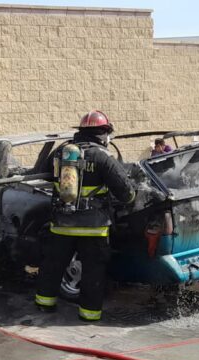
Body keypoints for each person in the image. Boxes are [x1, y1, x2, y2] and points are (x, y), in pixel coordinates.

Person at [33, 111, 135, 322]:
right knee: (92, 273)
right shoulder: (103, 157)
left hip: (61, 223)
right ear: (104, 133)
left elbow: (43, 172)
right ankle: (89, 314)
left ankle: (44, 304)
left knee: (52, 266)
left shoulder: (62, 152)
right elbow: (126, 193)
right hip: (94, 228)